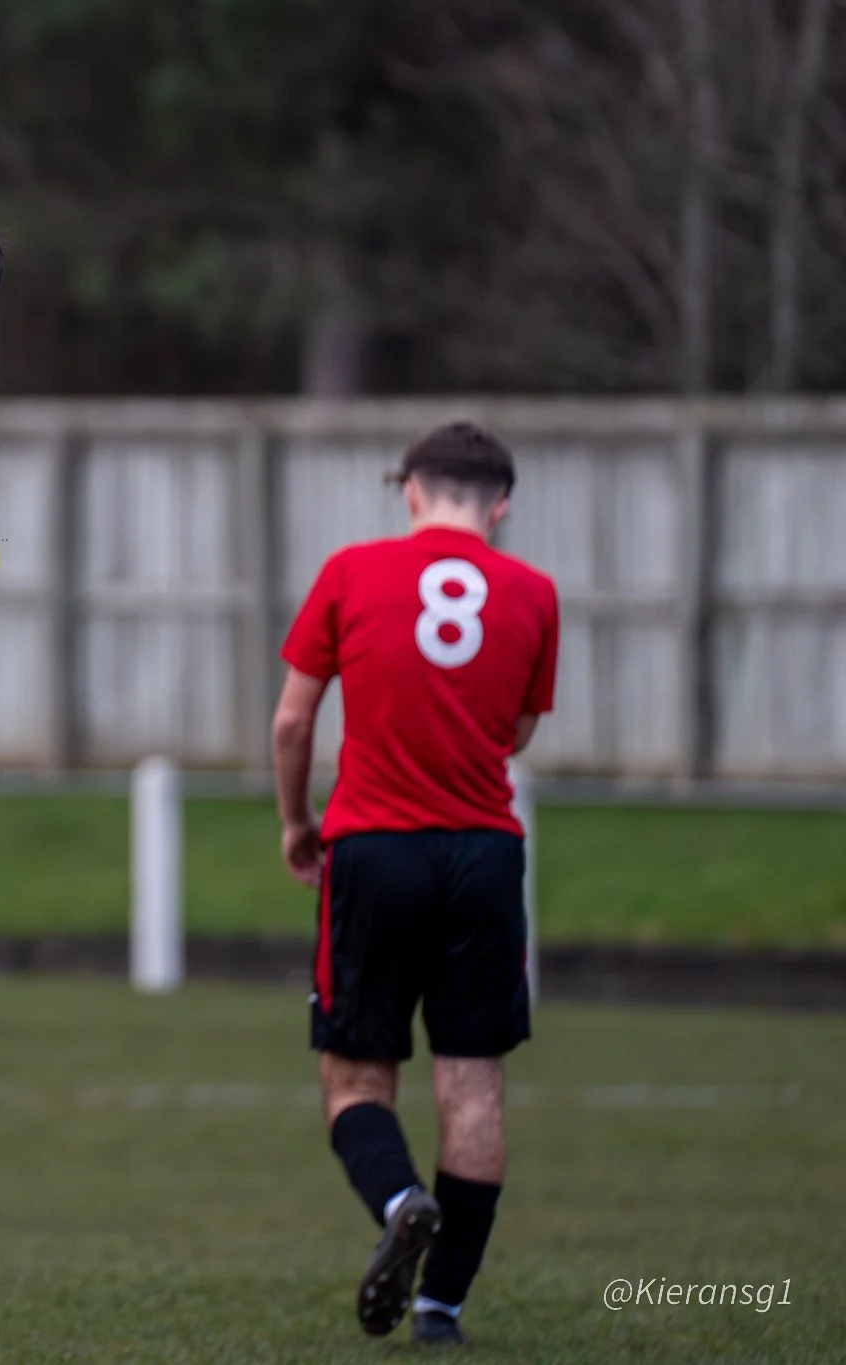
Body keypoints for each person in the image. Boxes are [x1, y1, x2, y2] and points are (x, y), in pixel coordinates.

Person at [270, 421, 559, 1347]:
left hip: (373, 848)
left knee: (355, 1076)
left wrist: (295, 819)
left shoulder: (352, 572)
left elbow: (290, 721)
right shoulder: (535, 593)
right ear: (501, 504)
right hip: (484, 854)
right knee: (471, 1088)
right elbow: (517, 730)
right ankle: (442, 1303)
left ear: (412, 491)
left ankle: (400, 1199)